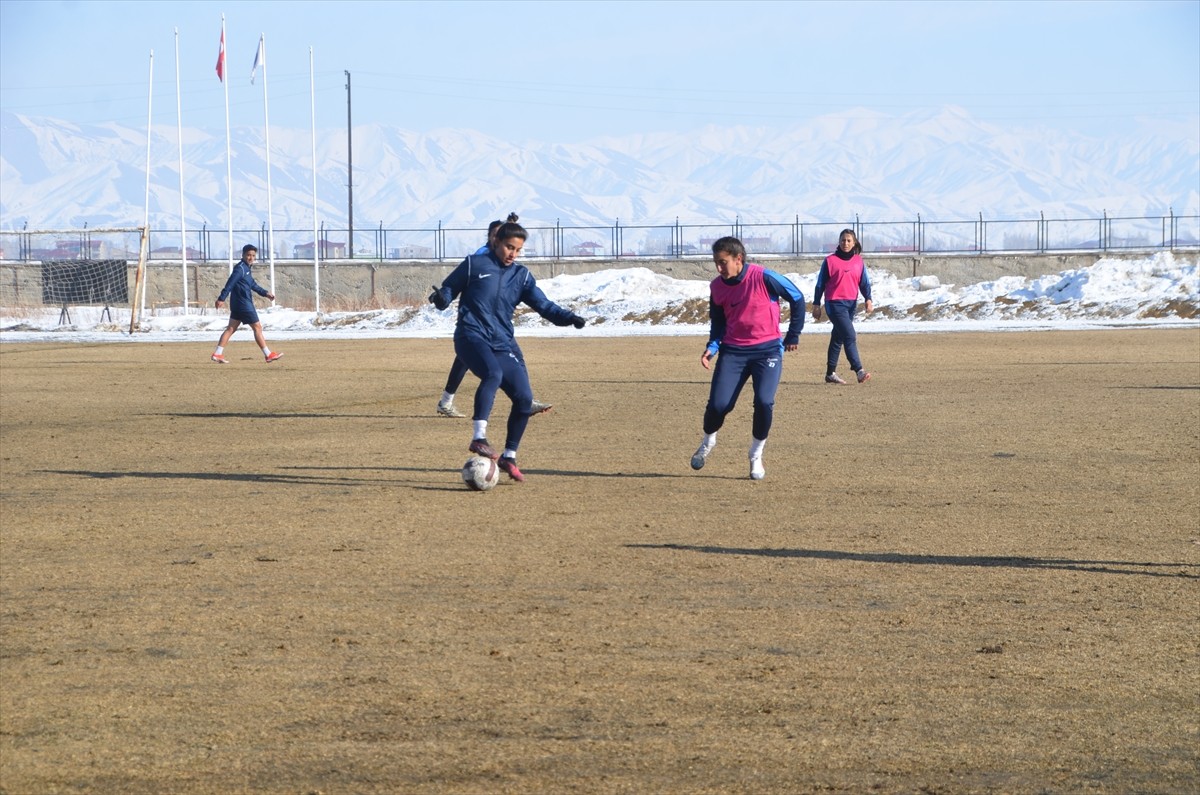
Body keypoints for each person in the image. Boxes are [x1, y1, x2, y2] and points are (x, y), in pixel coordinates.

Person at [428, 219, 587, 482]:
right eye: (508, 247)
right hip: (470, 335)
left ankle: (509, 456)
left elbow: (544, 306)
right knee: (492, 374)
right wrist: (442, 298)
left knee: (524, 398)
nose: (513, 254)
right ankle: (479, 438)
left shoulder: (521, 275)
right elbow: (447, 290)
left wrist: (569, 318)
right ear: (495, 242)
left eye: (518, 249)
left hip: (502, 341)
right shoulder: (473, 264)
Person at [690, 236, 805, 480]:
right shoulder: (716, 287)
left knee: (764, 402)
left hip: (768, 352)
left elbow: (797, 297)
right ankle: (708, 441)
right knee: (719, 406)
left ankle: (755, 456)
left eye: (723, 262)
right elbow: (719, 322)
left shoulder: (764, 277)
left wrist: (793, 335)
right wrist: (712, 347)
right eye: (716, 263)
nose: (719, 268)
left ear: (738, 259)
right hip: (733, 352)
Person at [436, 214, 552, 418]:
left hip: (495, 327)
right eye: (496, 235)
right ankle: (450, 404)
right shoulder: (481, 256)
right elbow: (460, 282)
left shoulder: (507, 259)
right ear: (492, 238)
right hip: (475, 325)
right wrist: (445, 296)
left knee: (513, 355)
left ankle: (526, 399)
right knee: (469, 363)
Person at [812, 228, 873, 384]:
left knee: (838, 338)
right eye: (842, 240)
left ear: (854, 243)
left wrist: (868, 298)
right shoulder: (830, 261)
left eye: (848, 240)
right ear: (839, 242)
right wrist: (816, 304)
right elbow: (820, 284)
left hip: (851, 303)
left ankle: (830, 373)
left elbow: (864, 282)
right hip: (834, 303)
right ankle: (859, 370)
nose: (845, 243)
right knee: (850, 335)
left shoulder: (858, 261)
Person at [211, 244, 282, 364]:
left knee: (231, 329)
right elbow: (230, 283)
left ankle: (217, 353)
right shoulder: (240, 269)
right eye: (248, 255)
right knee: (257, 328)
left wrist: (265, 293)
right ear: (243, 255)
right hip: (244, 304)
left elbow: (252, 284)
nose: (251, 257)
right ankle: (268, 354)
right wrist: (221, 298)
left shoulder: (246, 268)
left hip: (238, 304)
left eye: (253, 255)